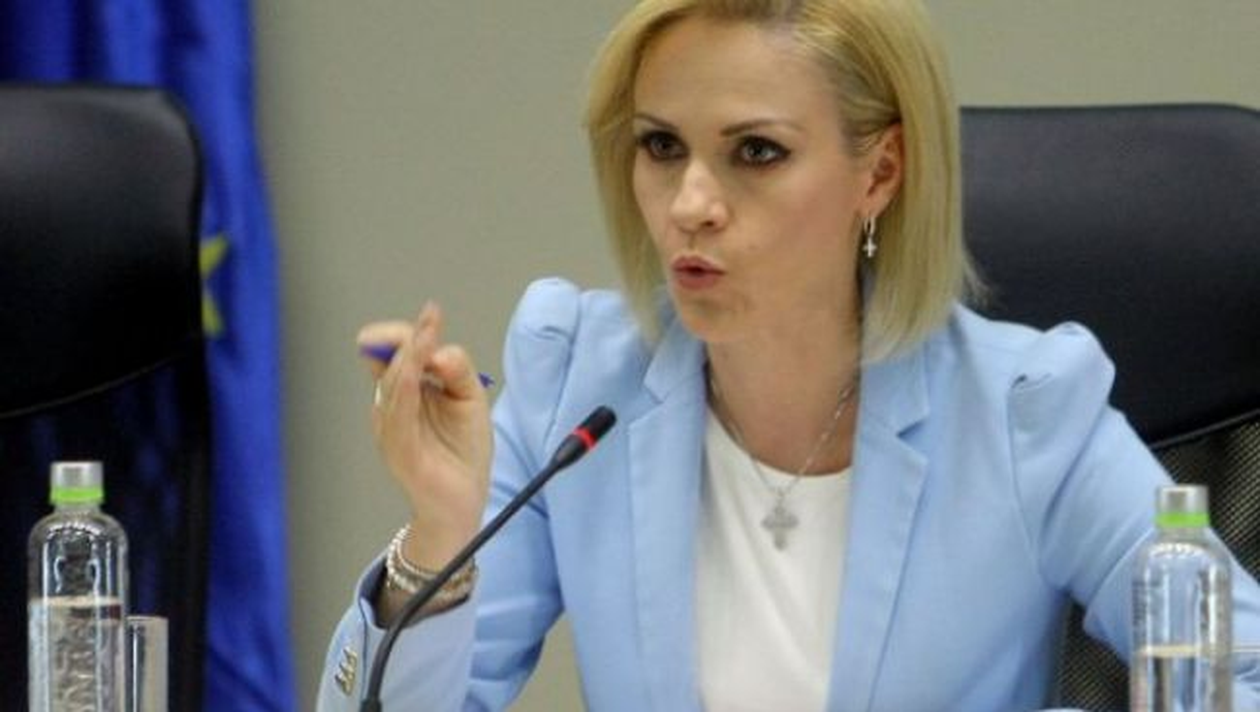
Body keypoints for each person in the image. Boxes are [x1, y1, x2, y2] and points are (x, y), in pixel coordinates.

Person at [318, 1, 1260, 710]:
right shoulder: (581, 385)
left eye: (756, 152)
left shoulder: (1023, 411)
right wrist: (438, 537)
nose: (691, 203)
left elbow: (1241, 675)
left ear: (879, 172)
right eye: (661, 146)